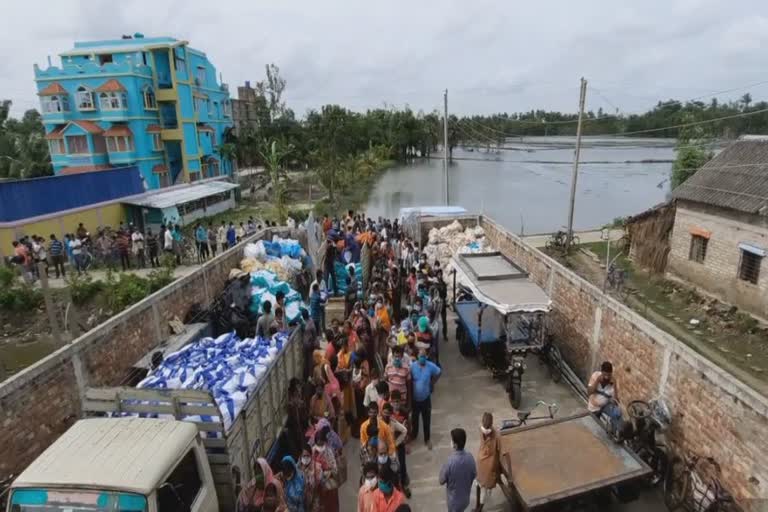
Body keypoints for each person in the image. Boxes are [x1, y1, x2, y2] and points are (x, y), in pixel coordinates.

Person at [440, 428, 477, 512]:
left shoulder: (450, 462)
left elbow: (441, 480)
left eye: (452, 440)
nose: (451, 442)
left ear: (455, 445)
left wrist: (443, 466)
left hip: (453, 503)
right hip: (465, 500)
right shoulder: (470, 457)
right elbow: (474, 474)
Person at [410, 348, 441, 449]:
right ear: (417, 356)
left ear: (426, 356)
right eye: (420, 356)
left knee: (426, 420)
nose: (422, 358)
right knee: (414, 419)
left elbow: (439, 372)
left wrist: (432, 383)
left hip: (426, 399)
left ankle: (427, 439)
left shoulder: (430, 366)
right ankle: (414, 435)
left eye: (424, 356)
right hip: (415, 400)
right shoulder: (412, 366)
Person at [381, 402, 410, 497]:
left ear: (390, 414)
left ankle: (400, 487)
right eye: (384, 412)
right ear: (381, 412)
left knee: (397, 468)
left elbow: (404, 430)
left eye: (388, 413)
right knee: (383, 470)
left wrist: (396, 443)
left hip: (392, 451)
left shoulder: (393, 423)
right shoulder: (378, 423)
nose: (386, 414)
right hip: (381, 452)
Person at [588, 361, 623, 437]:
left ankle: (615, 434)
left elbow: (616, 401)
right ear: (601, 372)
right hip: (594, 407)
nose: (607, 377)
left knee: (617, 412)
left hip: (605, 405)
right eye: (605, 375)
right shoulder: (595, 376)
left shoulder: (613, 381)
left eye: (609, 375)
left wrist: (615, 386)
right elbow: (589, 392)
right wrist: (597, 381)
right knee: (593, 431)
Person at [474, 412, 501, 511]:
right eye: (484, 426)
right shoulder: (481, 430)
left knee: (483, 490)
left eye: (488, 426)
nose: (485, 430)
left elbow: (502, 452)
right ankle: (477, 506)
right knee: (477, 484)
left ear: (491, 424)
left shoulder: (497, 436)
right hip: (480, 465)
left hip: (489, 468)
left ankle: (480, 508)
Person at [311, 428, 339, 512]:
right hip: (317, 486)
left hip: (329, 486)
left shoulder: (329, 451)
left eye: (321, 442)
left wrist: (327, 472)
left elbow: (334, 468)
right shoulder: (312, 452)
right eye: (318, 443)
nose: (320, 445)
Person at [298, 443, 322, 512]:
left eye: (307, 456)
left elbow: (319, 484)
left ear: (311, 456)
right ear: (300, 456)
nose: (305, 458)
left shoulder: (317, 468)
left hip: (314, 503)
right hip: (302, 504)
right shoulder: (297, 469)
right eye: (304, 456)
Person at [301, 309, 319, 381]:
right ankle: (307, 375)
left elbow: (314, 333)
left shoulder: (309, 322)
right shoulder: (304, 322)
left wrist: (314, 342)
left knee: (310, 360)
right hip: (306, 344)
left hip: (309, 344)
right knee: (306, 360)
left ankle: (310, 375)